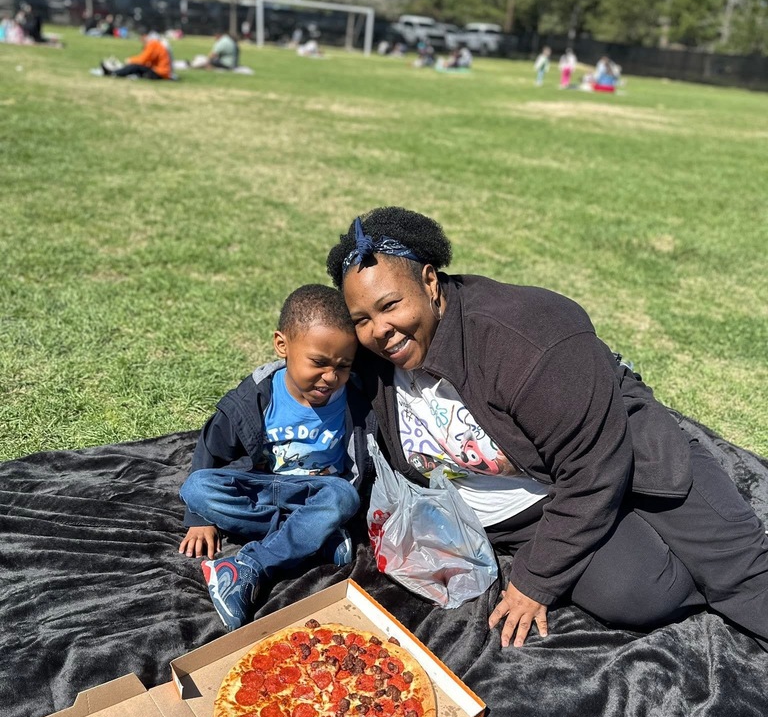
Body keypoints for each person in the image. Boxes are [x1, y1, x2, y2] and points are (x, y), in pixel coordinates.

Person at [326, 207, 768, 651]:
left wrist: (534, 581)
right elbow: (306, 362)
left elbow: (594, 468)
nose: (379, 330)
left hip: (619, 454)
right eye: (362, 319)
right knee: (642, 593)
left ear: (429, 281)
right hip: (529, 506)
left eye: (390, 306)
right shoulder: (370, 360)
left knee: (739, 573)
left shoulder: (526, 341)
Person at [178, 284, 370, 629]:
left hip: (318, 494)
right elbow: (211, 449)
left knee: (344, 496)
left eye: (342, 365)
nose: (331, 376)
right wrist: (198, 518)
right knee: (197, 488)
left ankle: (249, 567)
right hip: (265, 489)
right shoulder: (253, 398)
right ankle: (315, 537)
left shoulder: (354, 397)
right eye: (319, 362)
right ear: (282, 344)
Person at [100, 31, 173, 79]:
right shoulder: (157, 44)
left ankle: (114, 72)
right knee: (137, 68)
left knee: (135, 67)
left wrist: (130, 60)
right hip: (162, 73)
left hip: (160, 73)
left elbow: (142, 60)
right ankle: (118, 71)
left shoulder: (153, 44)